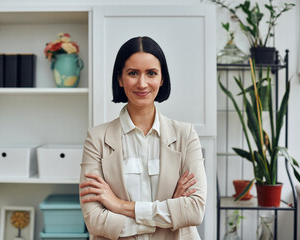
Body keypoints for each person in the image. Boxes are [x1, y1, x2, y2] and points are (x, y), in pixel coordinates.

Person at [79, 36, 207, 240]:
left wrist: (119, 205)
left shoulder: (186, 135)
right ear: (120, 79)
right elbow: (94, 220)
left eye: (151, 73)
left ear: (162, 78)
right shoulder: (97, 138)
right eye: (132, 73)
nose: (142, 83)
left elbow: (194, 210)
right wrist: (169, 215)